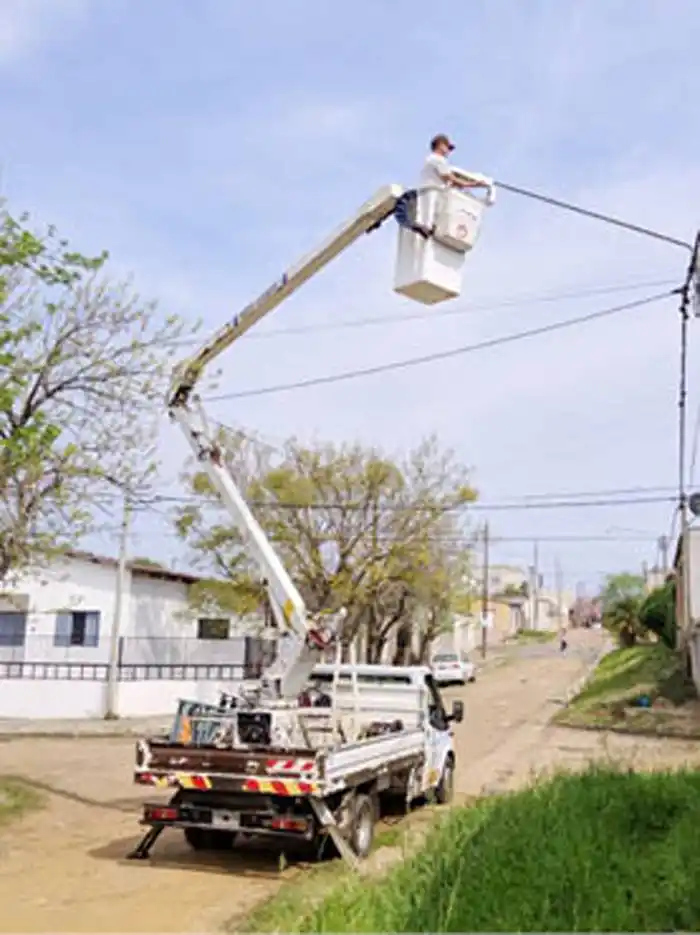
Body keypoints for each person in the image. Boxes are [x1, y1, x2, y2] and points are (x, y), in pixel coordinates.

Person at [420, 134, 489, 192]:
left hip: (427, 194)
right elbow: (452, 179)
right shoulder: (439, 159)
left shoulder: (428, 159)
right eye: (448, 148)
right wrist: (476, 184)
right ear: (441, 145)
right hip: (437, 195)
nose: (449, 151)